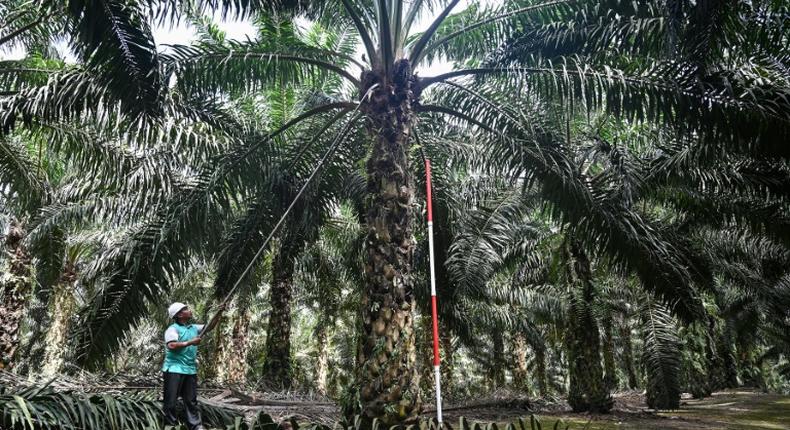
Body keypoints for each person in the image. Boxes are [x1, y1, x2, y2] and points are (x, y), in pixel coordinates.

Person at [162, 302, 224, 430]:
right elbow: (172, 345)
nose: (189, 310)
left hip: (190, 370)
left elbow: (209, 327)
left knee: (191, 401)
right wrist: (190, 342)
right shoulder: (172, 329)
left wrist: (219, 312)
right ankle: (171, 426)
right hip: (174, 369)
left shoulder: (193, 328)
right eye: (186, 309)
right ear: (179, 315)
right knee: (171, 402)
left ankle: (196, 426)